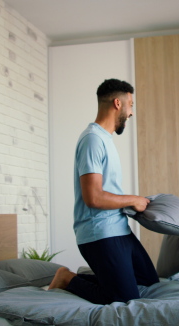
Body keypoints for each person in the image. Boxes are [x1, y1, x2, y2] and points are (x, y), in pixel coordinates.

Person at [49, 78, 159, 304]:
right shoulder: (92, 140)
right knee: (123, 298)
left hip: (117, 227)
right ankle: (67, 279)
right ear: (118, 103)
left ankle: (105, 278)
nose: (131, 112)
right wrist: (133, 200)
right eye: (131, 105)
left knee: (149, 282)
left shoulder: (105, 139)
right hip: (99, 232)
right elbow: (93, 197)